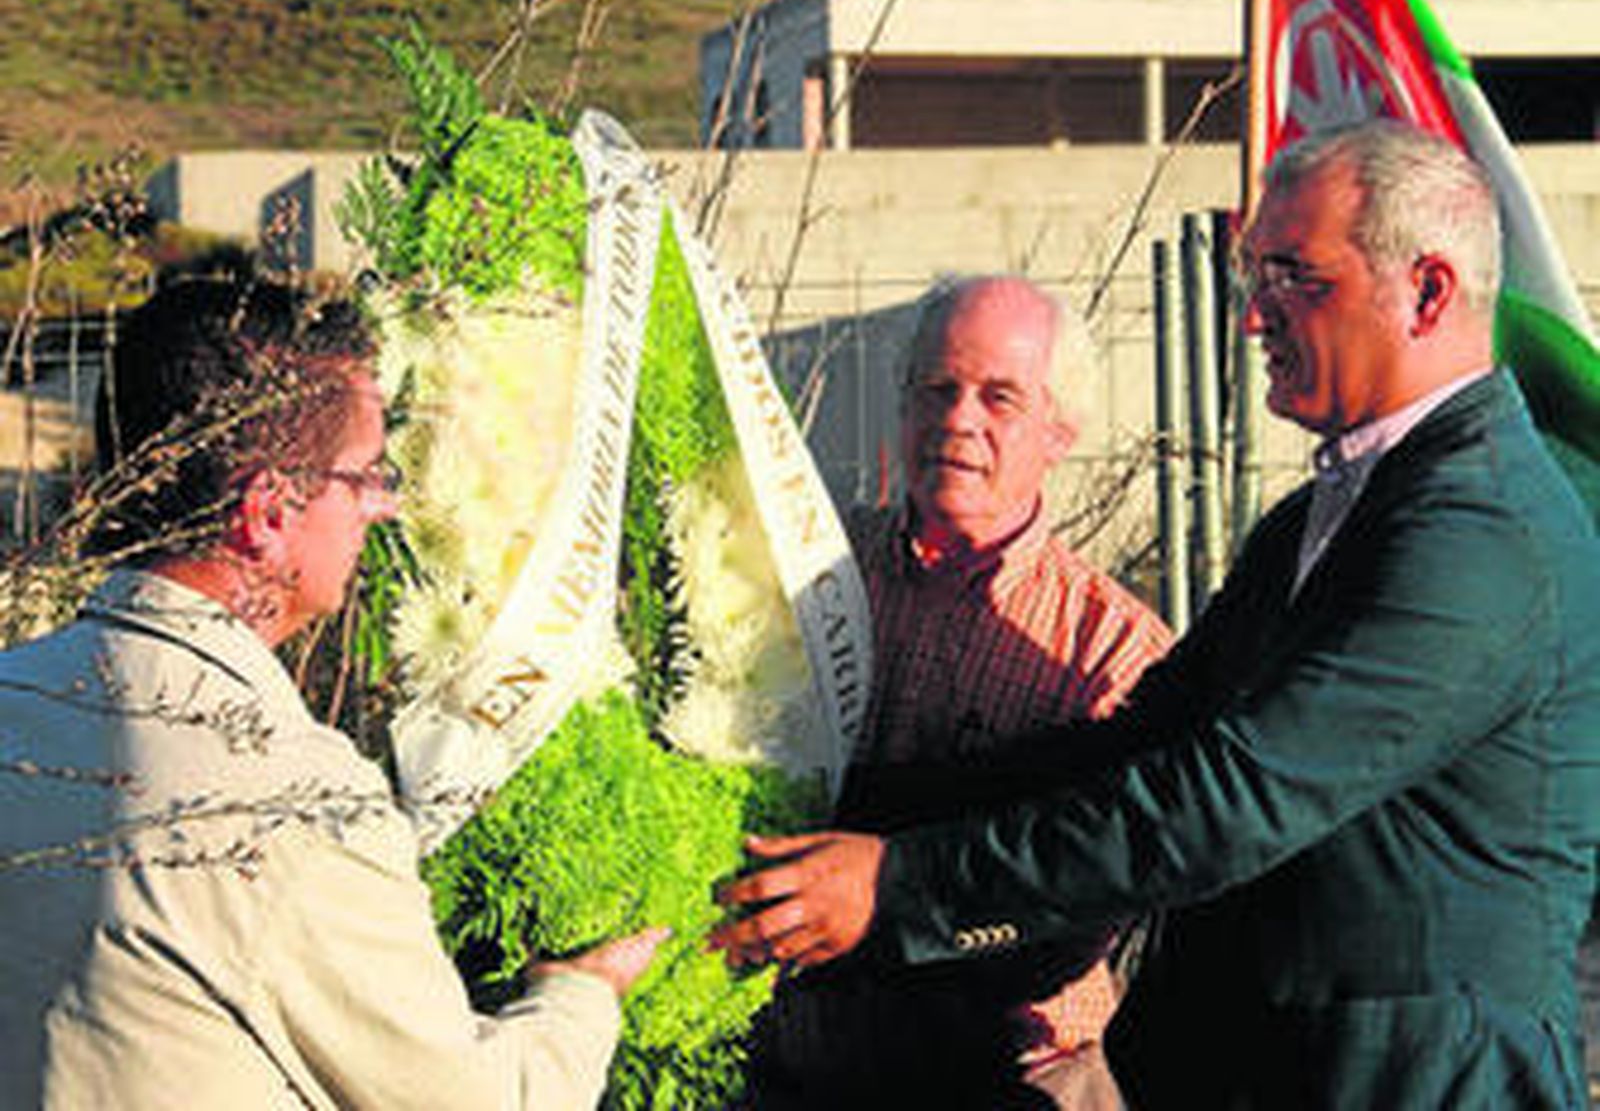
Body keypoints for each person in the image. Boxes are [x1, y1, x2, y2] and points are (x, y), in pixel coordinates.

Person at [712, 120, 1600, 1107]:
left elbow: (1229, 798)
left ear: (1425, 290)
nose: (1253, 318)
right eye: (1251, 278)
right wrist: (811, 820)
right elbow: (1136, 743)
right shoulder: (1319, 515)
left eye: (1291, 277)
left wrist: (898, 887)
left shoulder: (1479, 532)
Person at [0, 273, 666, 1108]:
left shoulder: (13, 698)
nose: (383, 506)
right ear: (268, 513)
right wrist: (581, 994)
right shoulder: (289, 807)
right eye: (367, 474)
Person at [748, 275, 1171, 1109]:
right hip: (795, 1066)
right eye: (936, 389)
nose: (957, 418)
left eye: (999, 397)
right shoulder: (807, 575)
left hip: (1018, 1074)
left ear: (1061, 430)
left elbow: (1076, 905)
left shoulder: (1113, 651)